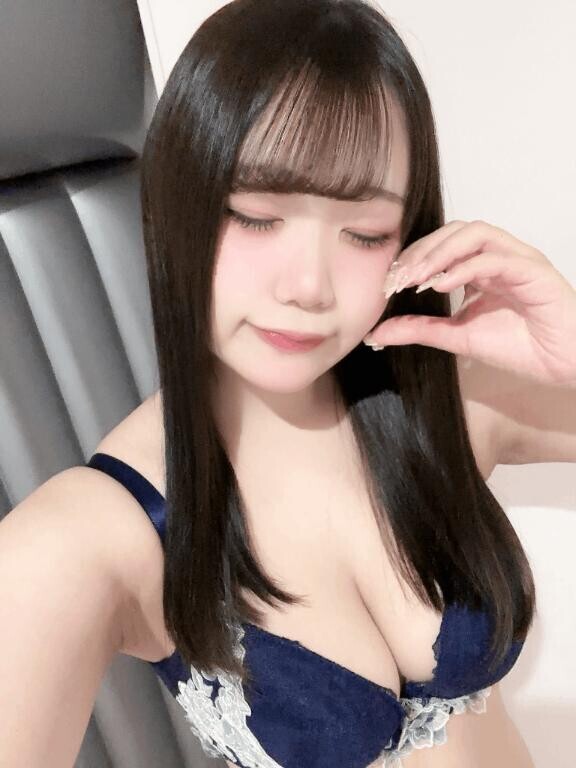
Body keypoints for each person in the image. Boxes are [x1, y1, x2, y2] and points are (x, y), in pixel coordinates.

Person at [2, 1, 576, 766]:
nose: (309, 285)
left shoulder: (446, 396)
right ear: (175, 207)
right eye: (257, 216)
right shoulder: (96, 534)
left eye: (364, 232)